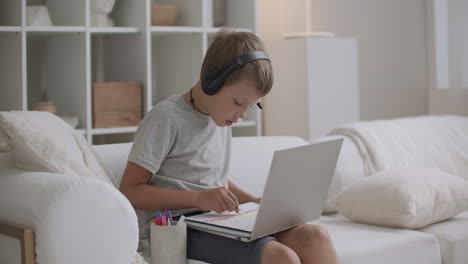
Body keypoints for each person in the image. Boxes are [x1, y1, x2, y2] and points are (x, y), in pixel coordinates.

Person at [119, 29, 340, 264]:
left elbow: (215, 181)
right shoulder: (166, 119)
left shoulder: (221, 116)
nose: (242, 114)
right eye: (238, 102)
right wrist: (198, 199)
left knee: (315, 236)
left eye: (251, 106)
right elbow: (129, 190)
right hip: (179, 227)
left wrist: (254, 201)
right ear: (212, 81)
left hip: (218, 221)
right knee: (281, 257)